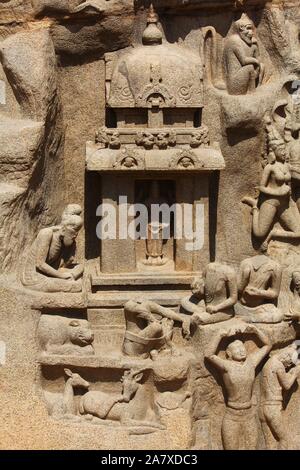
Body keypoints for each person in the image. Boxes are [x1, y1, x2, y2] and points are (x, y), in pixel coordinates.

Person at [205, 324, 271, 450]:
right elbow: (208, 354)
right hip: (232, 416)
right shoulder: (226, 366)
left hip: (249, 414)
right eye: (236, 349)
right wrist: (219, 334)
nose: (241, 350)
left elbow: (268, 345)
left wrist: (256, 331)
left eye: (242, 347)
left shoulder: (251, 363)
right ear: (229, 353)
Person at [21, 208, 84, 293]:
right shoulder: (46, 233)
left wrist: (71, 247)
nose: (75, 235)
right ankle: (68, 280)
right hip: (34, 277)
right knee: (76, 286)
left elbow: (62, 265)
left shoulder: (64, 241)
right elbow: (40, 264)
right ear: (64, 229)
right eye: (74, 231)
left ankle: (68, 279)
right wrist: (62, 276)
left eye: (77, 232)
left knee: (82, 267)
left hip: (50, 272)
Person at [261, 345, 300, 449]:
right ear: (286, 356)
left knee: (270, 444)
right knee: (284, 439)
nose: (288, 366)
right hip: (273, 407)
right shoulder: (278, 365)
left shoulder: (269, 362)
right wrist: (295, 372)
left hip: (264, 407)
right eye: (290, 362)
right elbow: (287, 384)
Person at [223, 14, 265, 95]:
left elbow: (258, 57)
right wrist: (256, 62)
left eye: (252, 29)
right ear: (240, 29)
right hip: (234, 84)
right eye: (248, 29)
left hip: (245, 77)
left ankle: (258, 87)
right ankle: (252, 92)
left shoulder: (250, 43)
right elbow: (244, 61)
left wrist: (256, 47)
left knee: (261, 66)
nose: (251, 33)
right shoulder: (234, 41)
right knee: (250, 67)